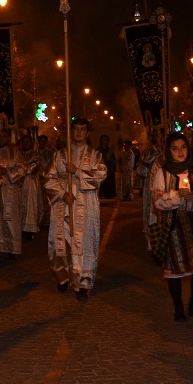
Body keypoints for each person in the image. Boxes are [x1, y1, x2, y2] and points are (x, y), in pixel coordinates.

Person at [149, 132, 193, 322]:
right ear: (169, 150)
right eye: (175, 148)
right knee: (174, 270)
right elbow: (157, 201)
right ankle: (178, 307)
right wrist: (176, 198)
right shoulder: (162, 172)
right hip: (173, 225)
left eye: (183, 147)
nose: (180, 152)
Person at [45, 117, 107, 300]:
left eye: (82, 129)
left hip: (86, 204)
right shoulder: (60, 155)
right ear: (71, 132)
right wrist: (63, 194)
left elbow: (99, 176)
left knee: (85, 243)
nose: (79, 132)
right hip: (62, 205)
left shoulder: (95, 155)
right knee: (60, 243)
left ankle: (83, 283)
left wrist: (77, 172)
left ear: (87, 133)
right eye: (76, 129)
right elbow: (48, 177)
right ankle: (63, 277)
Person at [0, 129, 26, 259]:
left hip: (11, 191)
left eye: (4, 136)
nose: (1, 139)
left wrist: (7, 171)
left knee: (12, 219)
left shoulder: (15, 153)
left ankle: (13, 249)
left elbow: (23, 169)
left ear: (8, 138)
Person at [135, 139, 159, 250]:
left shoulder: (168, 152)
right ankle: (152, 241)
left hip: (163, 187)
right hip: (151, 185)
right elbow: (140, 168)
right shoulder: (147, 153)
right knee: (151, 212)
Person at [20, 134, 44, 239]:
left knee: (31, 205)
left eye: (27, 142)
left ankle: (30, 229)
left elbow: (32, 168)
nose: (25, 144)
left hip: (30, 183)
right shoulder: (18, 154)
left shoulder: (35, 155)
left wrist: (21, 170)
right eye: (23, 142)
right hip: (20, 183)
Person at [98, 134, 117, 200]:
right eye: (103, 140)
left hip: (109, 170)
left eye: (106, 140)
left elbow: (113, 161)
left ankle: (109, 194)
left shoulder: (109, 150)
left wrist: (109, 160)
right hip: (100, 170)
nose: (105, 142)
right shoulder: (98, 150)